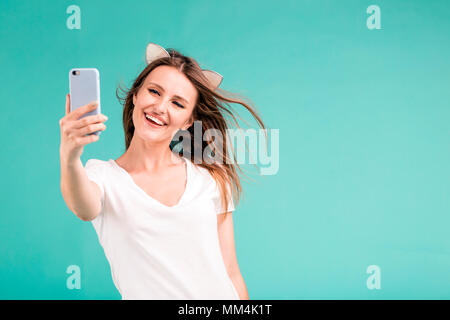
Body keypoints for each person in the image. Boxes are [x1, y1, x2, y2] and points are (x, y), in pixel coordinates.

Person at [59, 43, 266, 300]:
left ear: (188, 121)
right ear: (136, 95)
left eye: (177, 103)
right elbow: (83, 207)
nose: (160, 107)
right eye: (154, 91)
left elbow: (231, 272)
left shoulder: (211, 179)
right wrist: (69, 156)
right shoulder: (102, 177)